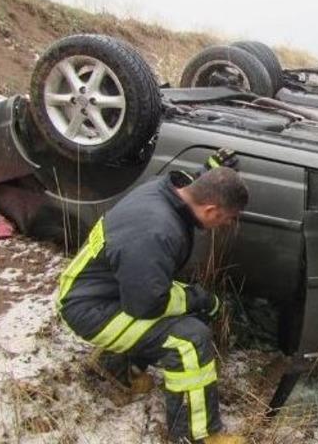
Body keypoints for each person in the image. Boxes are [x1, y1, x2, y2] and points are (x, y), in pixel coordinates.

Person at [57, 156, 248, 444]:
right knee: (190, 339)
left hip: (104, 291)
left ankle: (117, 369)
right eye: (227, 218)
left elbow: (195, 189)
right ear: (211, 209)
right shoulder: (155, 232)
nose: (226, 225)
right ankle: (196, 435)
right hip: (90, 309)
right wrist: (199, 300)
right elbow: (146, 306)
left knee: (173, 307)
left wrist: (209, 171)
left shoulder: (163, 191)